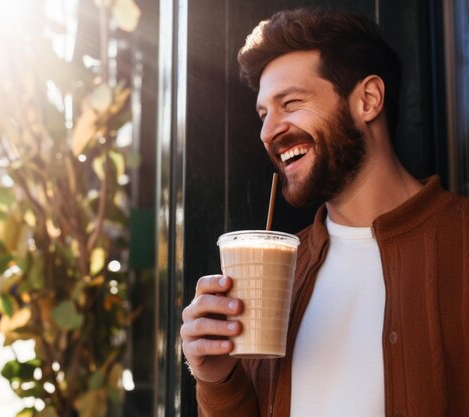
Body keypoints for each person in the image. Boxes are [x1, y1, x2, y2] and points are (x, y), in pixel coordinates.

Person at [180, 7, 469, 417]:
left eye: (291, 103)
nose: (267, 131)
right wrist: (218, 380)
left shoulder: (462, 239)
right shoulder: (284, 266)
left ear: (367, 100)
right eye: (264, 114)